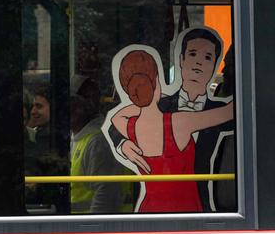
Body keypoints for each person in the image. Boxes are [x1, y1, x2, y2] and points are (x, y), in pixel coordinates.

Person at [108, 27, 232, 211]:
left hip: (209, 204)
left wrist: (146, 102)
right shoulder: (171, 112)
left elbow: (117, 119)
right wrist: (121, 144)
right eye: (192, 54)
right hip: (190, 209)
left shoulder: (219, 110)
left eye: (207, 57)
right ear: (181, 60)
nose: (198, 63)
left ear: (215, 66)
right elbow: (112, 130)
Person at [69, 77, 128, 213]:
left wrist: (91, 229)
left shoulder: (98, 141)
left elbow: (106, 193)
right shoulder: (77, 137)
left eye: (73, 105)